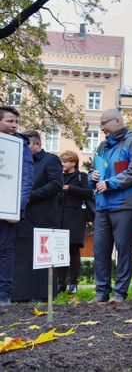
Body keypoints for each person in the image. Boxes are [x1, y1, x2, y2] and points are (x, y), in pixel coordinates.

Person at [89, 109, 132, 304]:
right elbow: (94, 169)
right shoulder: (102, 146)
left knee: (123, 250)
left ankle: (119, 294)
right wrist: (93, 176)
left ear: (117, 121)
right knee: (100, 250)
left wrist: (110, 183)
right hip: (102, 205)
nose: (102, 129)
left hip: (124, 205)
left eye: (104, 123)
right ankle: (101, 293)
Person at [14, 130, 63, 301]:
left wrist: (29, 195)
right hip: (25, 217)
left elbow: (56, 184)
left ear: (36, 144)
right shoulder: (21, 161)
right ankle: (21, 294)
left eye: (26, 145)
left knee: (44, 258)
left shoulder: (51, 160)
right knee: (23, 255)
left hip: (44, 217)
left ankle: (43, 295)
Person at [0, 106, 33, 306]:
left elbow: (26, 179)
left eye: (16, 122)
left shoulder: (21, 146)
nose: (14, 125)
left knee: (5, 251)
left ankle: (3, 297)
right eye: (9, 121)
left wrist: (17, 208)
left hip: (7, 212)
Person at [57, 150, 93, 294]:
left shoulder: (81, 176)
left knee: (73, 250)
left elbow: (89, 192)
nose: (63, 164)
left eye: (65, 161)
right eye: (62, 161)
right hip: (59, 218)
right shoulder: (58, 176)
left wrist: (69, 188)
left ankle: (73, 283)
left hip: (75, 218)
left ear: (73, 162)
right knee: (60, 250)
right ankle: (60, 283)